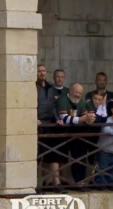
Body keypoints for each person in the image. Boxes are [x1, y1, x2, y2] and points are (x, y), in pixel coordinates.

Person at [57, 83, 96, 191]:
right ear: (70, 91)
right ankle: (58, 183)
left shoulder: (81, 102)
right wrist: (83, 119)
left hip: (78, 135)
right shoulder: (62, 100)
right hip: (62, 135)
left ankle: (80, 182)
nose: (78, 95)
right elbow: (64, 117)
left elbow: (84, 116)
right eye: (76, 92)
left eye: (80, 93)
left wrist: (89, 119)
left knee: (80, 158)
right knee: (60, 158)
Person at [36, 64, 65, 192]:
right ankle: (35, 185)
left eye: (43, 71)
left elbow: (53, 106)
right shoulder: (33, 87)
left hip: (49, 124)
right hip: (38, 124)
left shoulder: (50, 88)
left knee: (53, 153)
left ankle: (56, 183)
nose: (42, 73)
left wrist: (57, 118)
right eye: (39, 71)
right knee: (37, 155)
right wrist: (33, 119)